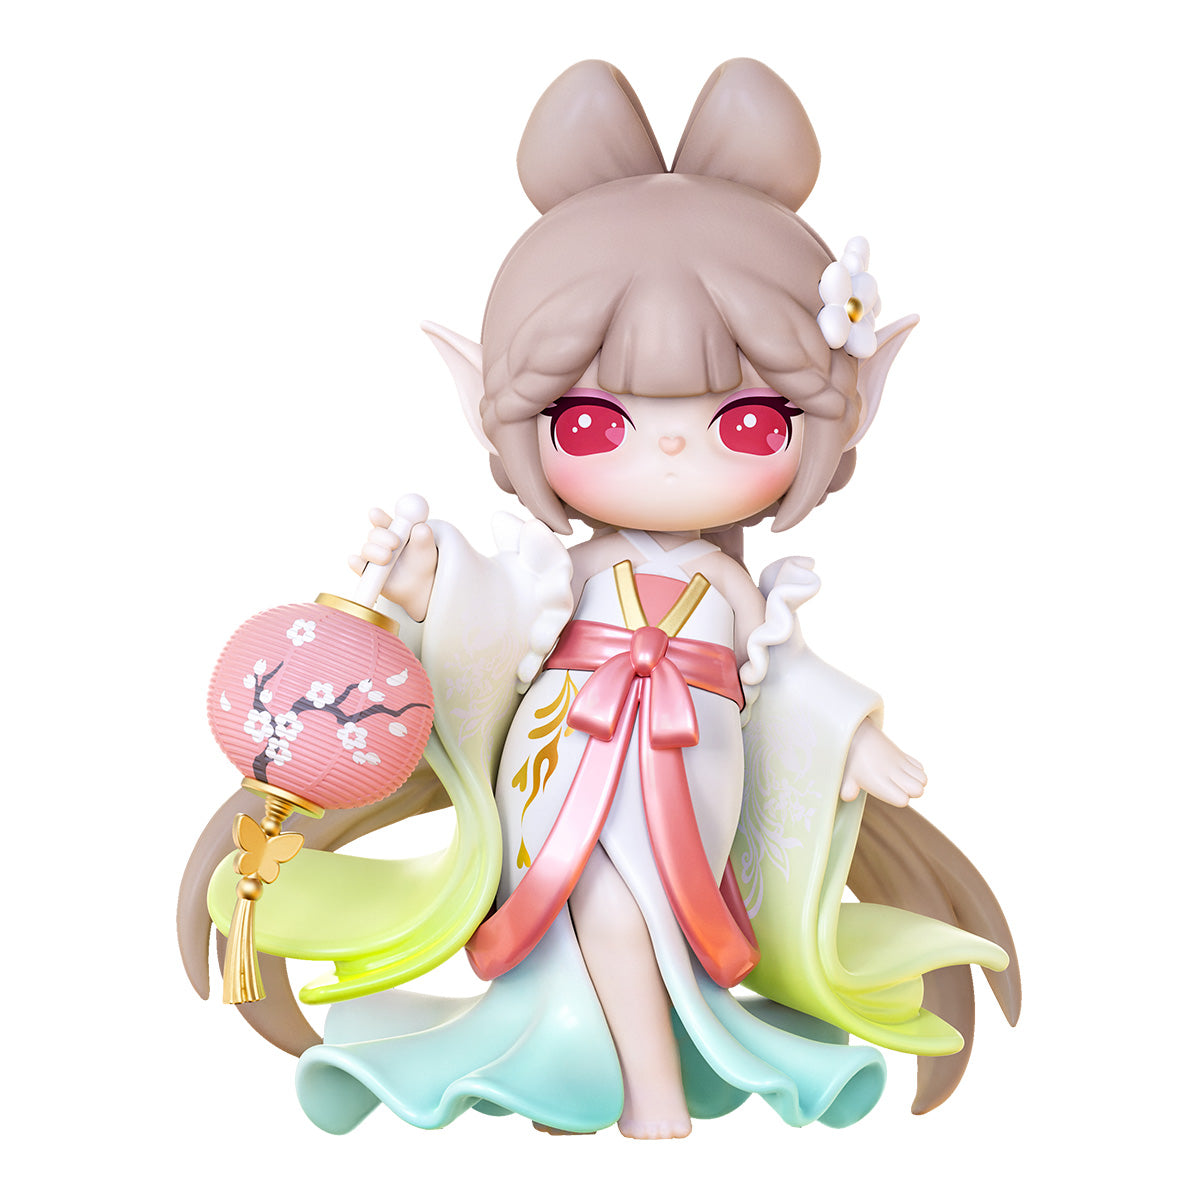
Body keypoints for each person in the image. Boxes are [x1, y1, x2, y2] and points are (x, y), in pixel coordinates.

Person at [180, 58, 1019, 1139]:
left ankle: (603, 1071)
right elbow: (493, 619)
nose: (670, 452)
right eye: (592, 423)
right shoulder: (567, 574)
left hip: (695, 765)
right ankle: (649, 1096)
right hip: (564, 757)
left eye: (746, 423)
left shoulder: (733, 587)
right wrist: (427, 580)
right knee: (607, 907)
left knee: (649, 913)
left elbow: (785, 679)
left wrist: (854, 740)